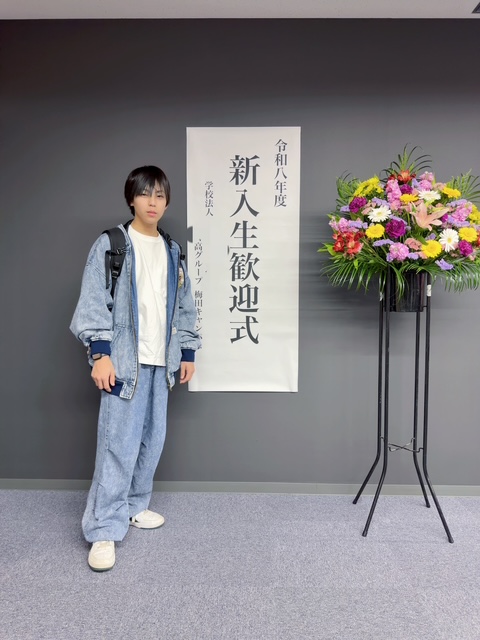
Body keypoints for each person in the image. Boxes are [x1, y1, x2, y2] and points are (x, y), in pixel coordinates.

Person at [70, 165, 201, 572]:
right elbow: (94, 299)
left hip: (162, 361)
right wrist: (101, 354)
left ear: (167, 201)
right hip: (125, 361)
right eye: (145, 194)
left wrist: (188, 351)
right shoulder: (113, 244)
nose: (152, 202)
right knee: (117, 444)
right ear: (132, 198)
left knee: (151, 439)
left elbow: (184, 304)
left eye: (160, 195)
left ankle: (132, 506)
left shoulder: (172, 249)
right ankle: (103, 529)